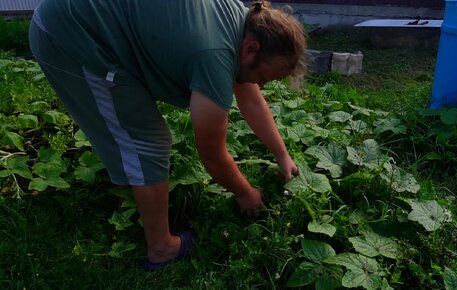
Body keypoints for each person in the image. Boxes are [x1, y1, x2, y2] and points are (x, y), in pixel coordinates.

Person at [28, 0, 306, 270]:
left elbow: (252, 100)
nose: (260, 84)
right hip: (68, 34)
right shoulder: (214, 53)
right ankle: (162, 248)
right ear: (252, 48)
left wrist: (282, 155)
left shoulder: (241, 20)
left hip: (85, 19)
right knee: (146, 140)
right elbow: (211, 154)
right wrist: (246, 194)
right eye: (264, 78)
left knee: (132, 126)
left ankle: (134, 190)